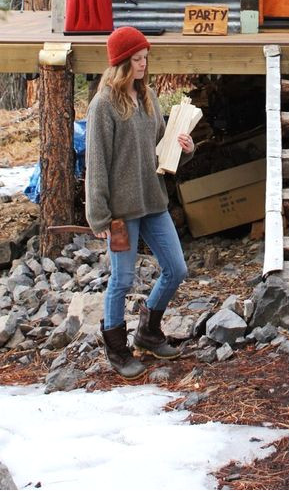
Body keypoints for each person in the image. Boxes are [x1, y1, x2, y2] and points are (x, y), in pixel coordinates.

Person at [86, 25, 195, 378]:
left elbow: (162, 149)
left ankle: (148, 332)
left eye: (146, 57)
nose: (144, 64)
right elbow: (97, 163)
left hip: (154, 202)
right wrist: (99, 217)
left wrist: (185, 150)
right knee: (122, 279)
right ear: (121, 63)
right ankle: (118, 350)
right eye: (137, 59)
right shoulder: (103, 105)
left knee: (176, 269)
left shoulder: (147, 98)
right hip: (120, 214)